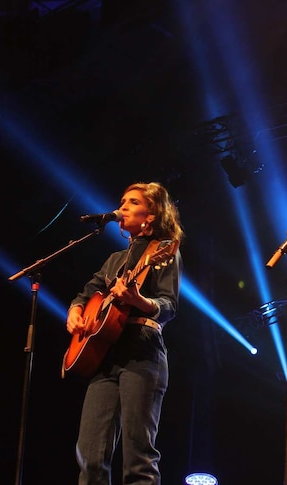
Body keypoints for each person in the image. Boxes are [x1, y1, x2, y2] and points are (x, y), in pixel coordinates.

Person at [66, 181, 184, 485]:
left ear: (151, 214)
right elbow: (86, 294)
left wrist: (137, 300)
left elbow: (168, 305)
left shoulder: (163, 251)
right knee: (90, 459)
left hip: (142, 353)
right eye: (122, 201)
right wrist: (75, 313)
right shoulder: (115, 260)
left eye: (132, 202)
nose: (123, 207)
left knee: (138, 459)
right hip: (105, 357)